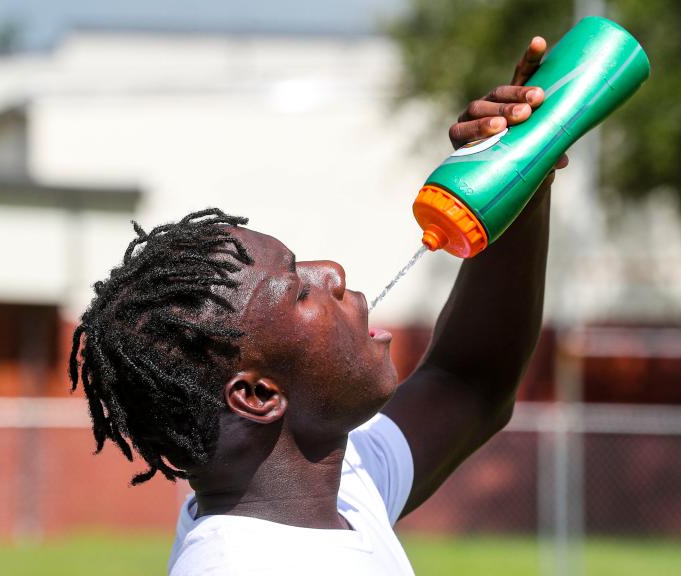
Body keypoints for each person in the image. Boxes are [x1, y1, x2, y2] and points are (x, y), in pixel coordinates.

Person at [68, 36, 569, 575]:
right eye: (299, 288)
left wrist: (523, 171)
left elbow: (470, 383)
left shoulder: (337, 487)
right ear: (258, 395)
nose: (331, 272)